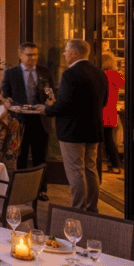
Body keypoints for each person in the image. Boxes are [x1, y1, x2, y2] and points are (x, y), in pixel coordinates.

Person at [42, 39, 107, 212]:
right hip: (93, 128)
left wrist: (48, 109)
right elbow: (104, 101)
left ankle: (78, 209)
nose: (64, 54)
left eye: (66, 51)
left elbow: (65, 104)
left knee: (76, 170)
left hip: (72, 130)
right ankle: (92, 207)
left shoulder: (70, 74)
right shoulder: (99, 72)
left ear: (74, 53)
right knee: (90, 168)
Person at [1, 42, 53, 199]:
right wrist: (10, 106)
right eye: (29, 55)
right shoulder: (11, 73)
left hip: (40, 120)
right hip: (20, 120)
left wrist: (50, 101)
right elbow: (5, 95)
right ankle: (20, 189)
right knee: (21, 156)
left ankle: (41, 190)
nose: (33, 58)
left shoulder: (44, 72)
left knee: (40, 157)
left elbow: (51, 92)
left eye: (36, 55)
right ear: (20, 55)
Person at [100, 53, 123, 175]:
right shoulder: (118, 75)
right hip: (112, 110)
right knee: (109, 139)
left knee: (105, 140)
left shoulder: (103, 76)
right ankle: (114, 165)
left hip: (102, 110)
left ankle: (113, 165)